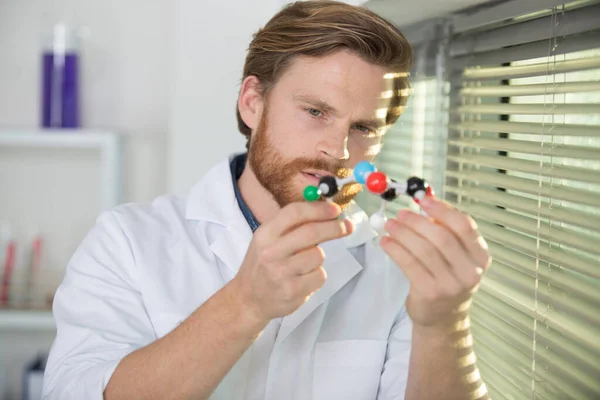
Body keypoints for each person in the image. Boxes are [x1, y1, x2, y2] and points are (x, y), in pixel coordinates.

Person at [42, 2, 491, 399]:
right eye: (316, 112)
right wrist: (245, 302)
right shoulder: (126, 242)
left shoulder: (401, 268)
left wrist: (443, 323)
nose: (337, 151)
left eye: (364, 128)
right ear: (252, 102)